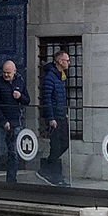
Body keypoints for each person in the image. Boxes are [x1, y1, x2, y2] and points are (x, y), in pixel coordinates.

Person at [0, 60, 29, 183]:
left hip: (15, 122)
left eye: (8, 73)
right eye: (4, 72)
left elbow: (27, 100)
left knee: (14, 153)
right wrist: (3, 121)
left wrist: (20, 96)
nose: (6, 75)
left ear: (14, 71)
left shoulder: (20, 82)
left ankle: (11, 181)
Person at [39, 50, 71, 186]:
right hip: (54, 118)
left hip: (62, 116)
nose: (69, 62)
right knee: (56, 147)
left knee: (65, 144)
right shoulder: (50, 77)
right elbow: (47, 99)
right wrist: (51, 118)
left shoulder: (60, 77)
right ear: (59, 61)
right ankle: (52, 174)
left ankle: (47, 166)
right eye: (66, 60)